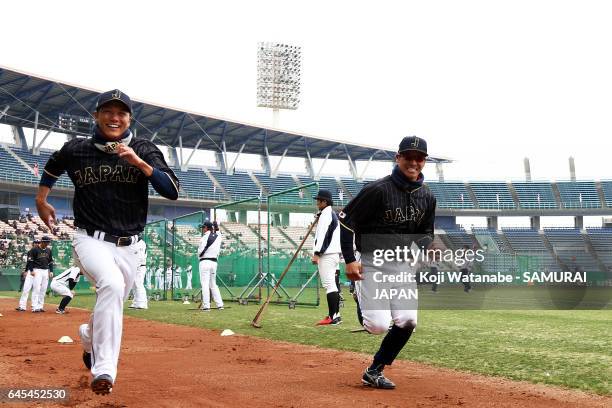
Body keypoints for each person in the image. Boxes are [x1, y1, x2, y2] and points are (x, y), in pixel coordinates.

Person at [35, 89, 179, 395]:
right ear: (96, 115)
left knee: (112, 300)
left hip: (131, 245)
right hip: (90, 239)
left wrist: (141, 163)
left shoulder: (143, 148)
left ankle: (88, 335)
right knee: (111, 286)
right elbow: (53, 166)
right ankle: (103, 370)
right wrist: (41, 198)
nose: (115, 118)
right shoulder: (77, 149)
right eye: (108, 112)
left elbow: (172, 191)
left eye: (121, 113)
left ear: (129, 118)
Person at [340, 136, 436, 389]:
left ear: (424, 161)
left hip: (402, 265)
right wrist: (350, 260)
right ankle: (357, 293)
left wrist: (424, 249)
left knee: (408, 322)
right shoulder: (377, 190)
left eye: (419, 158)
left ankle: (375, 370)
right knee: (377, 326)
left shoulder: (427, 196)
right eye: (408, 157)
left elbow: (426, 233)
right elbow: (346, 223)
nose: (413, 162)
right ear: (398, 158)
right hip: (371, 262)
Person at [311, 189, 342, 325]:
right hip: (333, 254)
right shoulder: (330, 213)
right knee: (332, 284)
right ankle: (336, 315)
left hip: (327, 254)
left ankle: (332, 316)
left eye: (319, 200)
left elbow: (323, 236)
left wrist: (317, 253)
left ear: (325, 201)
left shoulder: (326, 214)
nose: (317, 202)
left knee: (329, 285)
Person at [198, 221, 223, 311]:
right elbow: (218, 232)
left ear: (206, 228)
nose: (202, 229)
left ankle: (206, 306)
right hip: (214, 262)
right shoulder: (218, 237)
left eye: (203, 227)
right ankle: (220, 304)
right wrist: (216, 227)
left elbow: (200, 252)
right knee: (213, 284)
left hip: (204, 262)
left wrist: (200, 255)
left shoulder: (204, 237)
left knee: (205, 284)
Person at [30, 236, 54, 312]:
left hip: (45, 271)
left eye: (48, 242)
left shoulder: (49, 250)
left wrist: (51, 271)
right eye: (46, 242)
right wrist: (31, 270)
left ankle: (40, 306)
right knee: (36, 288)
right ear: (42, 242)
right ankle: (34, 307)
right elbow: (30, 260)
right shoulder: (34, 249)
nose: (47, 244)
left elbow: (50, 262)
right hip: (37, 270)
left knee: (43, 289)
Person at [16, 239, 39, 311]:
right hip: (30, 271)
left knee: (37, 290)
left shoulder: (42, 252)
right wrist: (26, 271)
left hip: (38, 271)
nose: (37, 244)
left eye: (38, 243)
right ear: (33, 244)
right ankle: (22, 306)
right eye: (35, 243)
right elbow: (29, 262)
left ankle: (35, 306)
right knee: (26, 289)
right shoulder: (30, 251)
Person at [129, 239, 148, 309]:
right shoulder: (135, 242)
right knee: (134, 285)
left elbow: (140, 257)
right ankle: (136, 302)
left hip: (140, 266)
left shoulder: (141, 243)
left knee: (138, 284)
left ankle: (142, 303)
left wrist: (134, 266)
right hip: (135, 266)